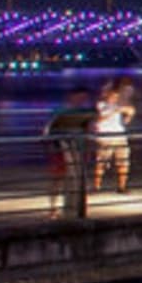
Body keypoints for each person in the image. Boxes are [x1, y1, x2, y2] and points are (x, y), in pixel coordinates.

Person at [43, 88, 99, 220]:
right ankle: (53, 208)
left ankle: (74, 208)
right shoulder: (60, 111)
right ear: (71, 96)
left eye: (83, 98)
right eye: (79, 97)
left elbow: (89, 129)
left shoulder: (83, 113)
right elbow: (49, 128)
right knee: (57, 179)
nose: (81, 101)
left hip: (78, 149)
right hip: (60, 147)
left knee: (77, 179)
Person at [94, 83, 137, 195]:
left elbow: (127, 117)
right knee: (101, 162)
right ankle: (96, 186)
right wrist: (116, 111)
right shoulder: (101, 105)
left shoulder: (118, 106)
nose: (115, 99)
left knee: (123, 162)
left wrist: (129, 114)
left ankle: (122, 186)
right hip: (106, 137)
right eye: (113, 96)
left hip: (120, 136)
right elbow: (100, 118)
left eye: (116, 97)